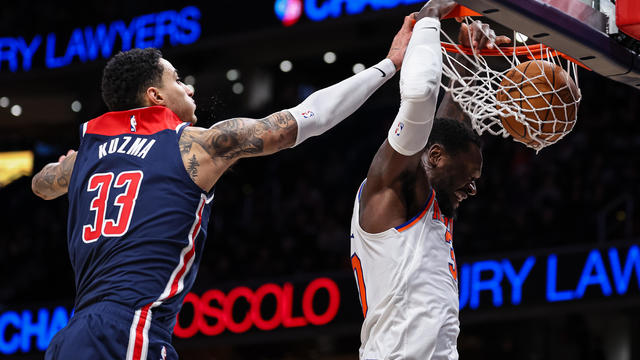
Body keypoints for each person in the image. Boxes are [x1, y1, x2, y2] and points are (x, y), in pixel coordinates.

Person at [30, 10, 418, 359]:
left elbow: (41, 185)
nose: (190, 89)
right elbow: (304, 120)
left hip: (71, 337)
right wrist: (388, 65)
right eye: (178, 81)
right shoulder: (192, 144)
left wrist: (68, 166)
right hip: (127, 331)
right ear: (155, 96)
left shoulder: (86, 157)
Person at [349, 1, 510, 359]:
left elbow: (449, 123)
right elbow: (420, 100)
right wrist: (430, 18)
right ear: (434, 157)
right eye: (468, 177)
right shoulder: (390, 187)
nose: (473, 188)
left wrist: (471, 55)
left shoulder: (431, 197)